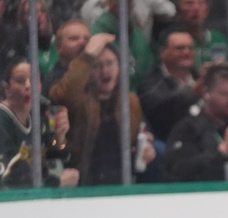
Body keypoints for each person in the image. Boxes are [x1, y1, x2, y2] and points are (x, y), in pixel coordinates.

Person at [49, 33, 156, 186]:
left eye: (110, 63)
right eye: (97, 66)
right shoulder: (79, 101)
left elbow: (139, 139)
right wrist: (87, 56)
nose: (105, 71)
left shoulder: (130, 101)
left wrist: (146, 150)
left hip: (121, 185)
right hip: (84, 185)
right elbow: (63, 94)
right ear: (87, 72)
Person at [0, 59, 78, 188]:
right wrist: (58, 183)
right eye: (20, 81)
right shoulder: (2, 121)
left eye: (34, 80)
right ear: (7, 88)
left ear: (40, 86)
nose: (28, 85)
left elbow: (55, 156)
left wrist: (60, 139)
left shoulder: (38, 119)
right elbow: (9, 179)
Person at [137, 28, 201, 142]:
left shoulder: (199, 78)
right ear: (162, 53)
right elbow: (160, 113)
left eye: (190, 48)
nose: (186, 52)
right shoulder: (150, 84)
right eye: (179, 48)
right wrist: (192, 92)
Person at [88, 0, 156, 86]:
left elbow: (148, 69)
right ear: (109, 3)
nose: (127, 7)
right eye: (120, 3)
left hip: (142, 94)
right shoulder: (97, 35)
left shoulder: (138, 35)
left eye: (129, 3)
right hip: (109, 95)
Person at [41, 19, 91, 98]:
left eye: (87, 39)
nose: (82, 43)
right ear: (59, 47)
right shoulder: (55, 81)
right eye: (74, 38)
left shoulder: (97, 72)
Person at [174, 0, 228, 67]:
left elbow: (222, 67)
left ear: (207, 10)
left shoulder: (217, 38)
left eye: (201, 3)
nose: (196, 8)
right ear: (178, 11)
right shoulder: (173, 42)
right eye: (189, 3)